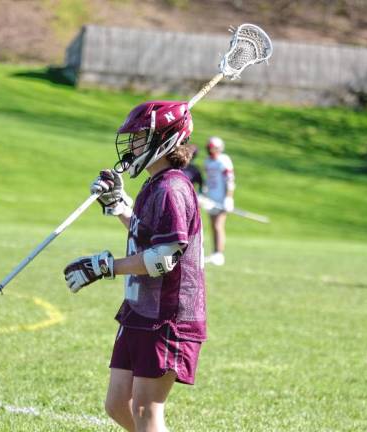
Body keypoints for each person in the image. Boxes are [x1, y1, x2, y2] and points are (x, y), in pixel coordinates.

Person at [63, 100, 206, 432]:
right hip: (141, 309)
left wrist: (104, 266)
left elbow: (162, 259)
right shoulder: (154, 183)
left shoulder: (172, 188)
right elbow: (146, 235)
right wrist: (118, 204)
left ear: (165, 140)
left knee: (145, 410)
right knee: (117, 405)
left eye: (140, 137)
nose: (132, 145)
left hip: (167, 316)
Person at [203, 136, 235, 266]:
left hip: (221, 199)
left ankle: (219, 254)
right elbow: (208, 180)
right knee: (212, 226)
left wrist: (229, 197)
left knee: (218, 225)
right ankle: (215, 252)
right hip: (211, 199)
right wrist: (204, 193)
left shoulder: (224, 161)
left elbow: (230, 180)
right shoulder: (207, 162)